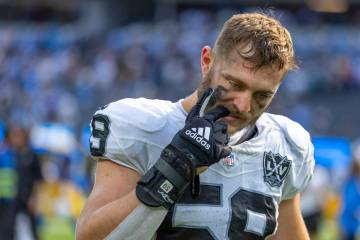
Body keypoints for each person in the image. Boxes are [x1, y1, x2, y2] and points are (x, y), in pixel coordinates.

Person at [76, 12, 315, 240]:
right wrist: (173, 169)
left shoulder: (285, 144)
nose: (243, 105)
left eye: (262, 95)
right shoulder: (144, 126)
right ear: (207, 62)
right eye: (234, 83)